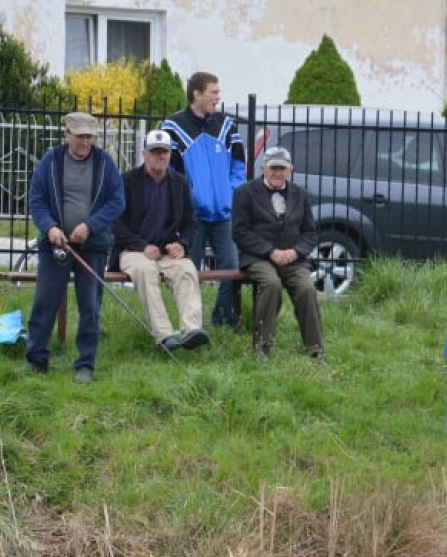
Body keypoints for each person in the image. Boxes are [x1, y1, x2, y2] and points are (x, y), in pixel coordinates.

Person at [26, 111, 125, 383]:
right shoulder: (50, 161)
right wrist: (50, 228)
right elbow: (36, 200)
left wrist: (89, 226)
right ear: (66, 134)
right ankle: (36, 359)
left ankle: (85, 364)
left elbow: (117, 202)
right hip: (55, 244)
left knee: (90, 305)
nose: (84, 141)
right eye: (79, 135)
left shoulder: (105, 163)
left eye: (89, 136)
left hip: (92, 244)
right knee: (45, 300)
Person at [162, 72, 247, 327]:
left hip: (224, 214)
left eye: (218, 92)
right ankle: (192, 325)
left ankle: (223, 321)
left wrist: (230, 193)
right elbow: (170, 173)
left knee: (231, 267)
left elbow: (239, 166)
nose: (218, 98)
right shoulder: (172, 127)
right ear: (196, 94)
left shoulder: (226, 126)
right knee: (189, 271)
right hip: (192, 218)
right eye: (213, 92)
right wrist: (187, 200)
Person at [112, 129, 210, 353]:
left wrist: (182, 244)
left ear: (170, 154)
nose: (160, 156)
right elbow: (115, 223)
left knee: (186, 268)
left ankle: (191, 330)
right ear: (144, 154)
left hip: (166, 251)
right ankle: (165, 335)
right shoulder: (127, 181)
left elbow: (190, 222)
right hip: (133, 249)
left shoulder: (180, 183)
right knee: (146, 271)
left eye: (164, 152)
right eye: (155, 152)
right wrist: (141, 246)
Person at [231, 146, 324, 359]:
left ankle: (315, 350)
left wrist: (295, 252)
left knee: (307, 288)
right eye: (273, 167)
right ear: (263, 168)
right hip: (258, 258)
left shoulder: (300, 195)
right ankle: (262, 348)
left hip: (292, 259)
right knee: (271, 284)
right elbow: (239, 232)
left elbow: (310, 233)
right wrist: (270, 251)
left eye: (281, 168)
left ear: (290, 170)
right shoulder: (244, 193)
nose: (277, 173)